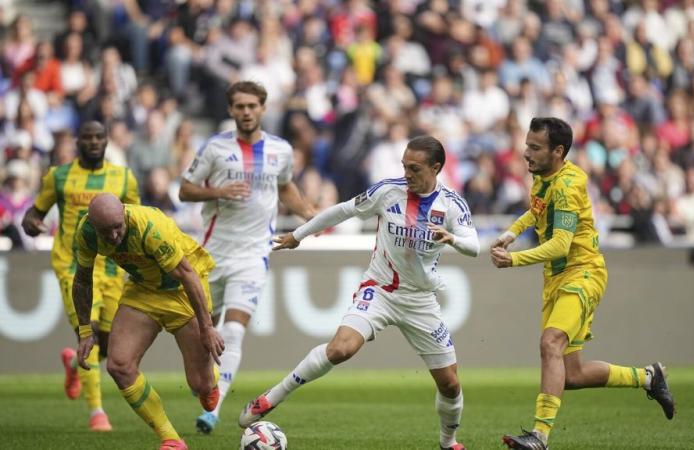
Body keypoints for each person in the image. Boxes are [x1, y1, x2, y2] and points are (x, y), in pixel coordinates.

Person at [238, 135, 480, 450]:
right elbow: (342, 211)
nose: (406, 173)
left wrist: (452, 238)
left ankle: (448, 443)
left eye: (415, 168)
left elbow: (474, 246)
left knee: (449, 384)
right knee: (340, 349)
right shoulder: (388, 191)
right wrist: (299, 235)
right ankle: (271, 398)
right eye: (404, 165)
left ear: (435, 167)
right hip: (379, 289)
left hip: (420, 300)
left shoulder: (452, 205)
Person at [490, 117, 675, 450]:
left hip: (582, 273)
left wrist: (514, 259)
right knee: (571, 375)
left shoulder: (567, 185)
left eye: (535, 147)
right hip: (556, 278)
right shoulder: (542, 177)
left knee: (550, 345)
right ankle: (650, 377)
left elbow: (561, 244)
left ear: (557, 151)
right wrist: (509, 234)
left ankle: (539, 436)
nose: (526, 154)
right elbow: (535, 212)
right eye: (527, 145)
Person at [179, 80, 315, 433]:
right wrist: (218, 191)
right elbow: (185, 190)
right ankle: (206, 389)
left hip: (253, 255)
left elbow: (285, 187)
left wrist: (310, 215)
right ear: (230, 110)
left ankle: (214, 410)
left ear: (263, 108)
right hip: (211, 255)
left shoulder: (280, 150)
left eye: (252, 106)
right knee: (200, 339)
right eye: (239, 106)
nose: (246, 112)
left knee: (234, 331)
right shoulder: (214, 148)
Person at [72, 194, 224, 450]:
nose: (113, 237)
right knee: (119, 365)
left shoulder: (150, 226)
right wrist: (86, 330)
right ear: (92, 223)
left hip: (181, 290)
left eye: (117, 227)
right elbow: (82, 280)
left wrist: (207, 326)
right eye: (105, 231)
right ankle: (172, 439)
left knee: (201, 386)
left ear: (124, 213)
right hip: (143, 289)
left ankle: (209, 381)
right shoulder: (86, 233)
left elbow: (187, 275)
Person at [21, 121, 140, 431]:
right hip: (73, 265)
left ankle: (74, 364)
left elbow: (136, 220)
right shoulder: (59, 177)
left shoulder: (123, 177)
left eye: (98, 137)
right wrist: (31, 222)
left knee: (111, 344)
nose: (93, 142)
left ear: (106, 141)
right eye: (87, 137)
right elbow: (34, 212)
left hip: (113, 267)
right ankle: (97, 413)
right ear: (78, 142)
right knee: (89, 332)